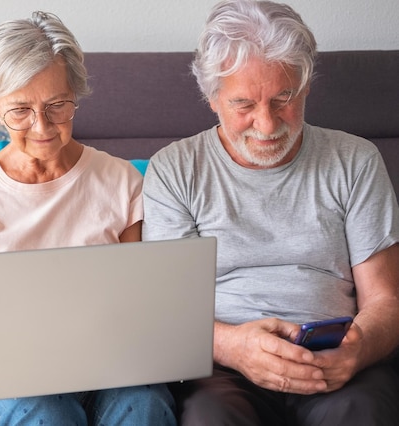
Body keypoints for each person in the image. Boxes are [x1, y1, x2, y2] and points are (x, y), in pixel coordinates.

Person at [142, 0, 399, 425]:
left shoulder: (356, 160)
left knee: (362, 411)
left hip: (335, 356)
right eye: (244, 104)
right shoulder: (175, 169)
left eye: (284, 98)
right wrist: (232, 347)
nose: (266, 124)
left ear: (306, 86)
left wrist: (358, 348)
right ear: (212, 98)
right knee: (209, 417)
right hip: (222, 365)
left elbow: (386, 300)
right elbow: (169, 312)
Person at [0, 11, 175, 426]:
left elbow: (140, 300)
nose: (41, 126)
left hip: (102, 363)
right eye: (20, 109)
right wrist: (31, 344)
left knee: (145, 404)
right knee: (44, 411)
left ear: (75, 94)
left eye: (57, 105)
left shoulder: (121, 181)